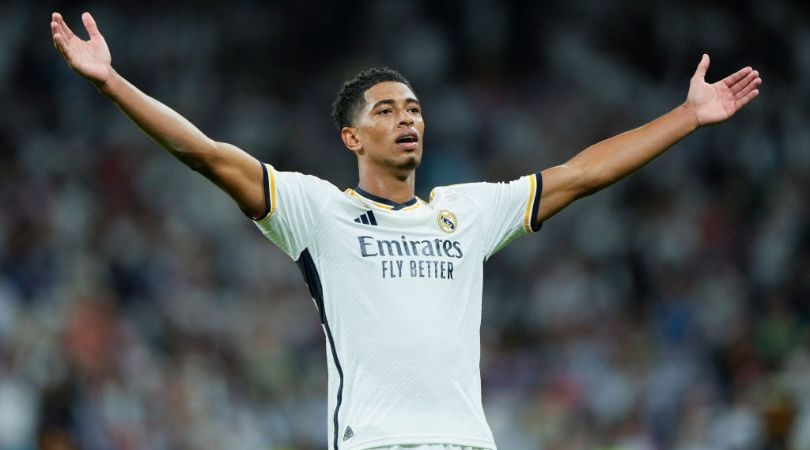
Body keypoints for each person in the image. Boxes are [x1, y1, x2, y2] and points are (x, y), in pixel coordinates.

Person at [50, 10, 762, 450]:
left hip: (468, 443)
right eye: (387, 109)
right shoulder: (316, 212)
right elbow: (205, 154)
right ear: (351, 137)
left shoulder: (469, 212)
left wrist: (686, 117)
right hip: (374, 444)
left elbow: (581, 174)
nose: (408, 117)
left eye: (414, 107)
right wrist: (113, 83)